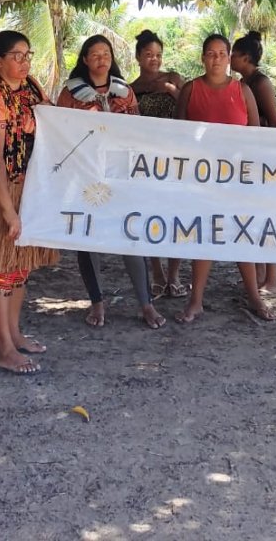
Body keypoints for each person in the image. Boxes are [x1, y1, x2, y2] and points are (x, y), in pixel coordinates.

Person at [58, 34, 166, 330]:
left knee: (130, 234)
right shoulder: (70, 94)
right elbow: (62, 132)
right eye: (94, 54)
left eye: (106, 53)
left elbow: (136, 129)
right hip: (86, 174)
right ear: (84, 60)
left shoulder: (124, 91)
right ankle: (97, 302)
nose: (101, 58)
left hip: (121, 173)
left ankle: (146, 303)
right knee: (87, 238)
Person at [0, 31, 59, 375]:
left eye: (27, 55)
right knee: (2, 269)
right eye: (17, 56)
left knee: (20, 269)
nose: (24, 62)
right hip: (2, 191)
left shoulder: (32, 87)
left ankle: (15, 334)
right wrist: (7, 211)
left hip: (32, 188)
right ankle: (2, 347)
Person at [175, 33, 274, 323]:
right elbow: (177, 133)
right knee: (203, 234)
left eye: (221, 53)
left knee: (242, 232)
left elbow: (255, 132)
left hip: (238, 177)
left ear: (229, 57)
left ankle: (254, 297)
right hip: (201, 177)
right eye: (210, 53)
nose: (216, 58)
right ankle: (196, 301)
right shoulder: (190, 89)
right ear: (203, 57)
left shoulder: (243, 90)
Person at [129, 28, 186, 299]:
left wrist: (173, 92)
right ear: (138, 57)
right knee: (148, 215)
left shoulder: (173, 78)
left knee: (176, 216)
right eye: (149, 55)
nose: (155, 59)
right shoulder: (131, 88)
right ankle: (157, 273)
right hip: (145, 161)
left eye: (158, 55)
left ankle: (174, 274)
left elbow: (190, 110)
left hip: (176, 157)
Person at [230, 29, 276, 298]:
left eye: (234, 55)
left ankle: (272, 278)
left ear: (246, 58)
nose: (229, 59)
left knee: (265, 215)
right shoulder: (244, 82)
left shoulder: (260, 83)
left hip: (263, 156)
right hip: (249, 156)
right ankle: (260, 275)